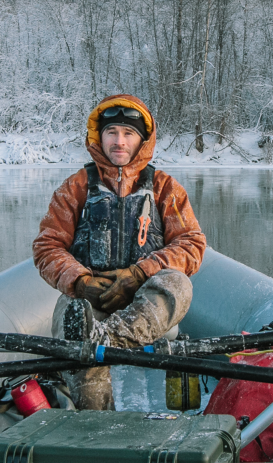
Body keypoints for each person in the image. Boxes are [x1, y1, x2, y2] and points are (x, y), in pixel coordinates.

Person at [33, 94, 207, 409]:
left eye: (128, 133)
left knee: (178, 284)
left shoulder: (165, 187)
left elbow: (191, 243)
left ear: (142, 140)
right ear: (99, 136)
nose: (119, 141)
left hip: (145, 299)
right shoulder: (75, 187)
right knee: (71, 317)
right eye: (112, 132)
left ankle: (105, 339)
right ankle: (98, 422)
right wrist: (81, 281)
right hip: (92, 296)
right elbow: (48, 246)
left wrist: (140, 273)